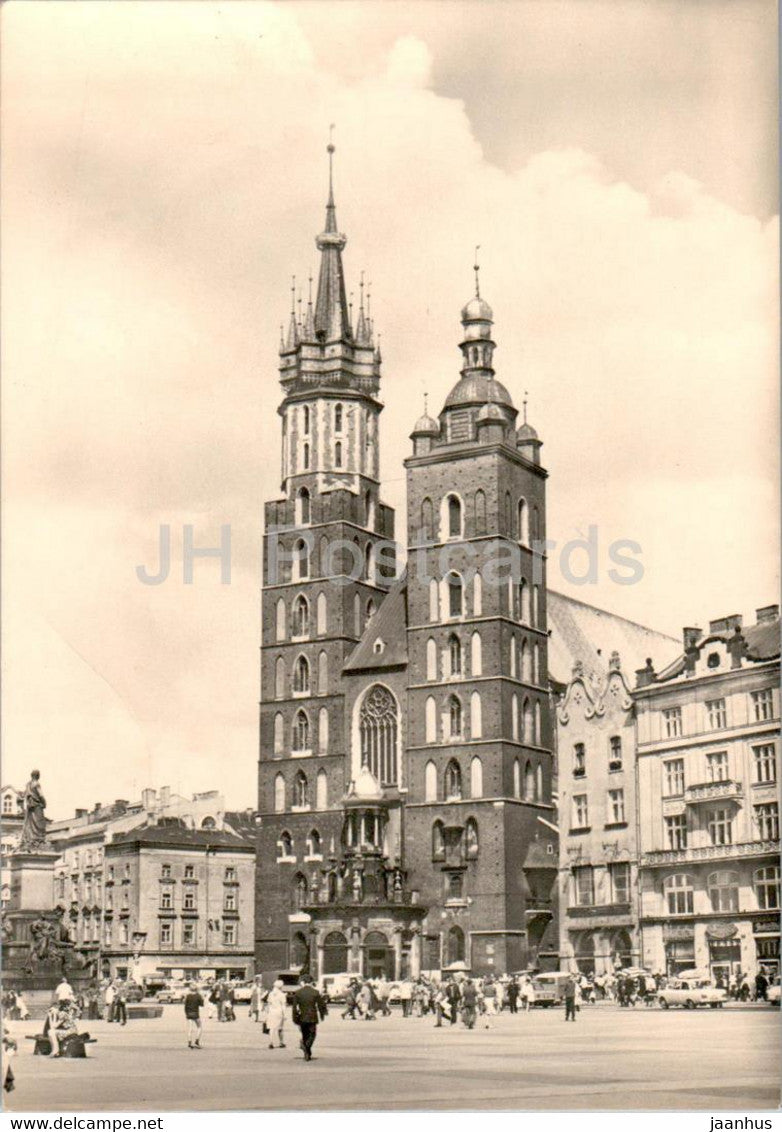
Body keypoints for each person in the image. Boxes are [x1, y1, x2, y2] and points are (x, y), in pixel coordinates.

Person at [291, 974, 327, 1062]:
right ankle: (307, 1048)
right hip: (312, 1016)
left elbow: (294, 1007)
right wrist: (322, 1015)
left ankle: (306, 1051)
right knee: (312, 1034)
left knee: (305, 1034)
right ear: (311, 982)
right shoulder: (315, 992)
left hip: (302, 1017)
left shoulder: (298, 992)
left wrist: (295, 1018)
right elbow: (320, 1005)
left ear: (304, 982)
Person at [266, 980, 287, 1049]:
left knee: (271, 1028)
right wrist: (285, 1014)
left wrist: (267, 1012)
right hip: (279, 1011)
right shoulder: (282, 994)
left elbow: (268, 1004)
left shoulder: (271, 994)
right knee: (280, 1028)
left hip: (271, 1011)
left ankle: (271, 1042)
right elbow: (283, 1005)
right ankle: (281, 1042)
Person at [184, 982, 204, 1049]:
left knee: (190, 1028)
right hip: (195, 1013)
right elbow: (201, 1004)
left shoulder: (188, 996)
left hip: (189, 1013)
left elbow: (185, 1005)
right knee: (199, 1027)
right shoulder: (198, 995)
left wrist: (186, 1014)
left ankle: (189, 1042)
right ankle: (197, 1041)